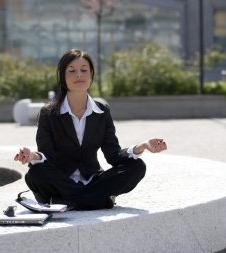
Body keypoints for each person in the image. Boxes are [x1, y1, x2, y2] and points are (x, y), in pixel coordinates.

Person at [14, 48, 167, 210]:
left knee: (137, 167)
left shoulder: (102, 111)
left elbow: (113, 155)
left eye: (84, 70)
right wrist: (32, 156)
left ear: (91, 75)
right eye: (72, 71)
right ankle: (97, 200)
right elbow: (48, 156)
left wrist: (142, 146)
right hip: (61, 180)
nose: (78, 75)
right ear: (63, 77)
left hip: (93, 179)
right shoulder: (48, 113)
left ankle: (69, 201)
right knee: (36, 173)